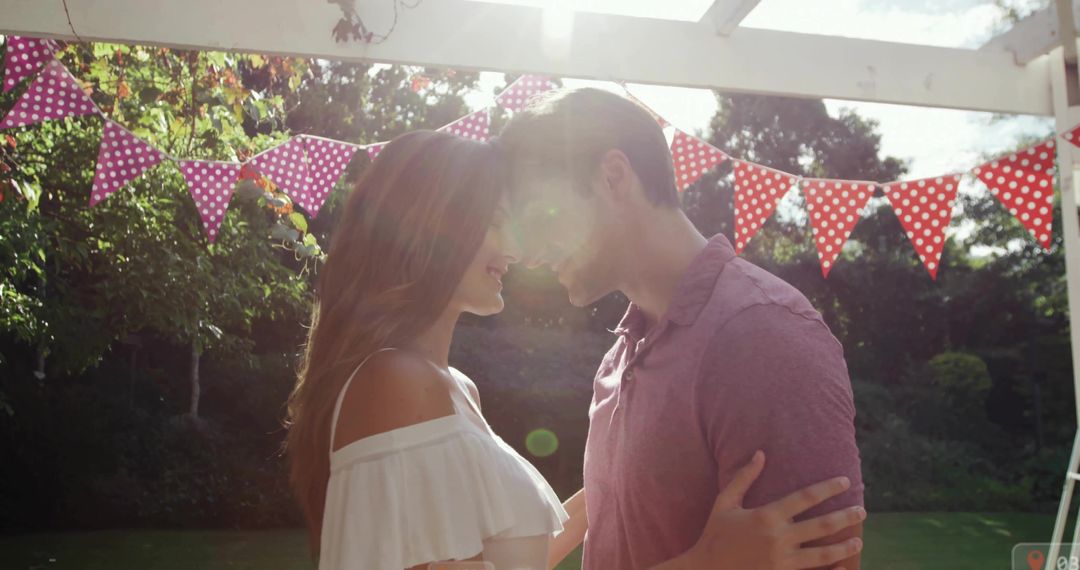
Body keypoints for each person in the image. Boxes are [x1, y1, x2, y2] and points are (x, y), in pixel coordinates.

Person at [284, 129, 865, 570]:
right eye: (492, 221)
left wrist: (622, 477)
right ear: (425, 229)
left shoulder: (451, 386)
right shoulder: (397, 385)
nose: (517, 247)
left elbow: (500, 555)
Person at [500, 87, 866, 570]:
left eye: (538, 215)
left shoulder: (762, 335)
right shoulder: (621, 354)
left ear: (613, 176)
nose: (526, 252)